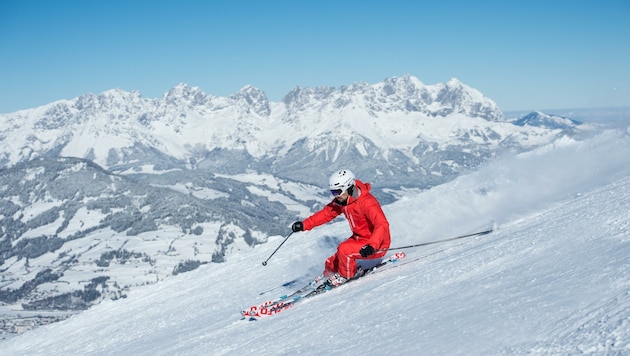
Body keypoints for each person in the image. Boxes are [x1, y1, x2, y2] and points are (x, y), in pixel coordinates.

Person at [291, 169, 391, 287]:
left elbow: (382, 224)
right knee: (332, 262)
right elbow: (327, 213)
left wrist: (372, 245)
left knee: (345, 250)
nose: (336, 196)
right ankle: (328, 276)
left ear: (349, 187)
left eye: (337, 191)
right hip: (359, 239)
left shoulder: (367, 202)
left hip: (376, 244)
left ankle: (345, 275)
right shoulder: (344, 200)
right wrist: (304, 225)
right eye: (333, 192)